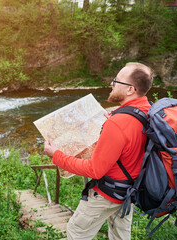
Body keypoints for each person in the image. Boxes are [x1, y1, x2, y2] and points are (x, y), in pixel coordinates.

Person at [44, 62, 153, 240]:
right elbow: (132, 142)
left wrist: (55, 154)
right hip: (129, 191)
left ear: (130, 90)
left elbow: (94, 170)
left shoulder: (118, 123)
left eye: (116, 81)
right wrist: (114, 122)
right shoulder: (147, 110)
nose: (112, 84)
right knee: (120, 236)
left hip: (107, 193)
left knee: (76, 231)